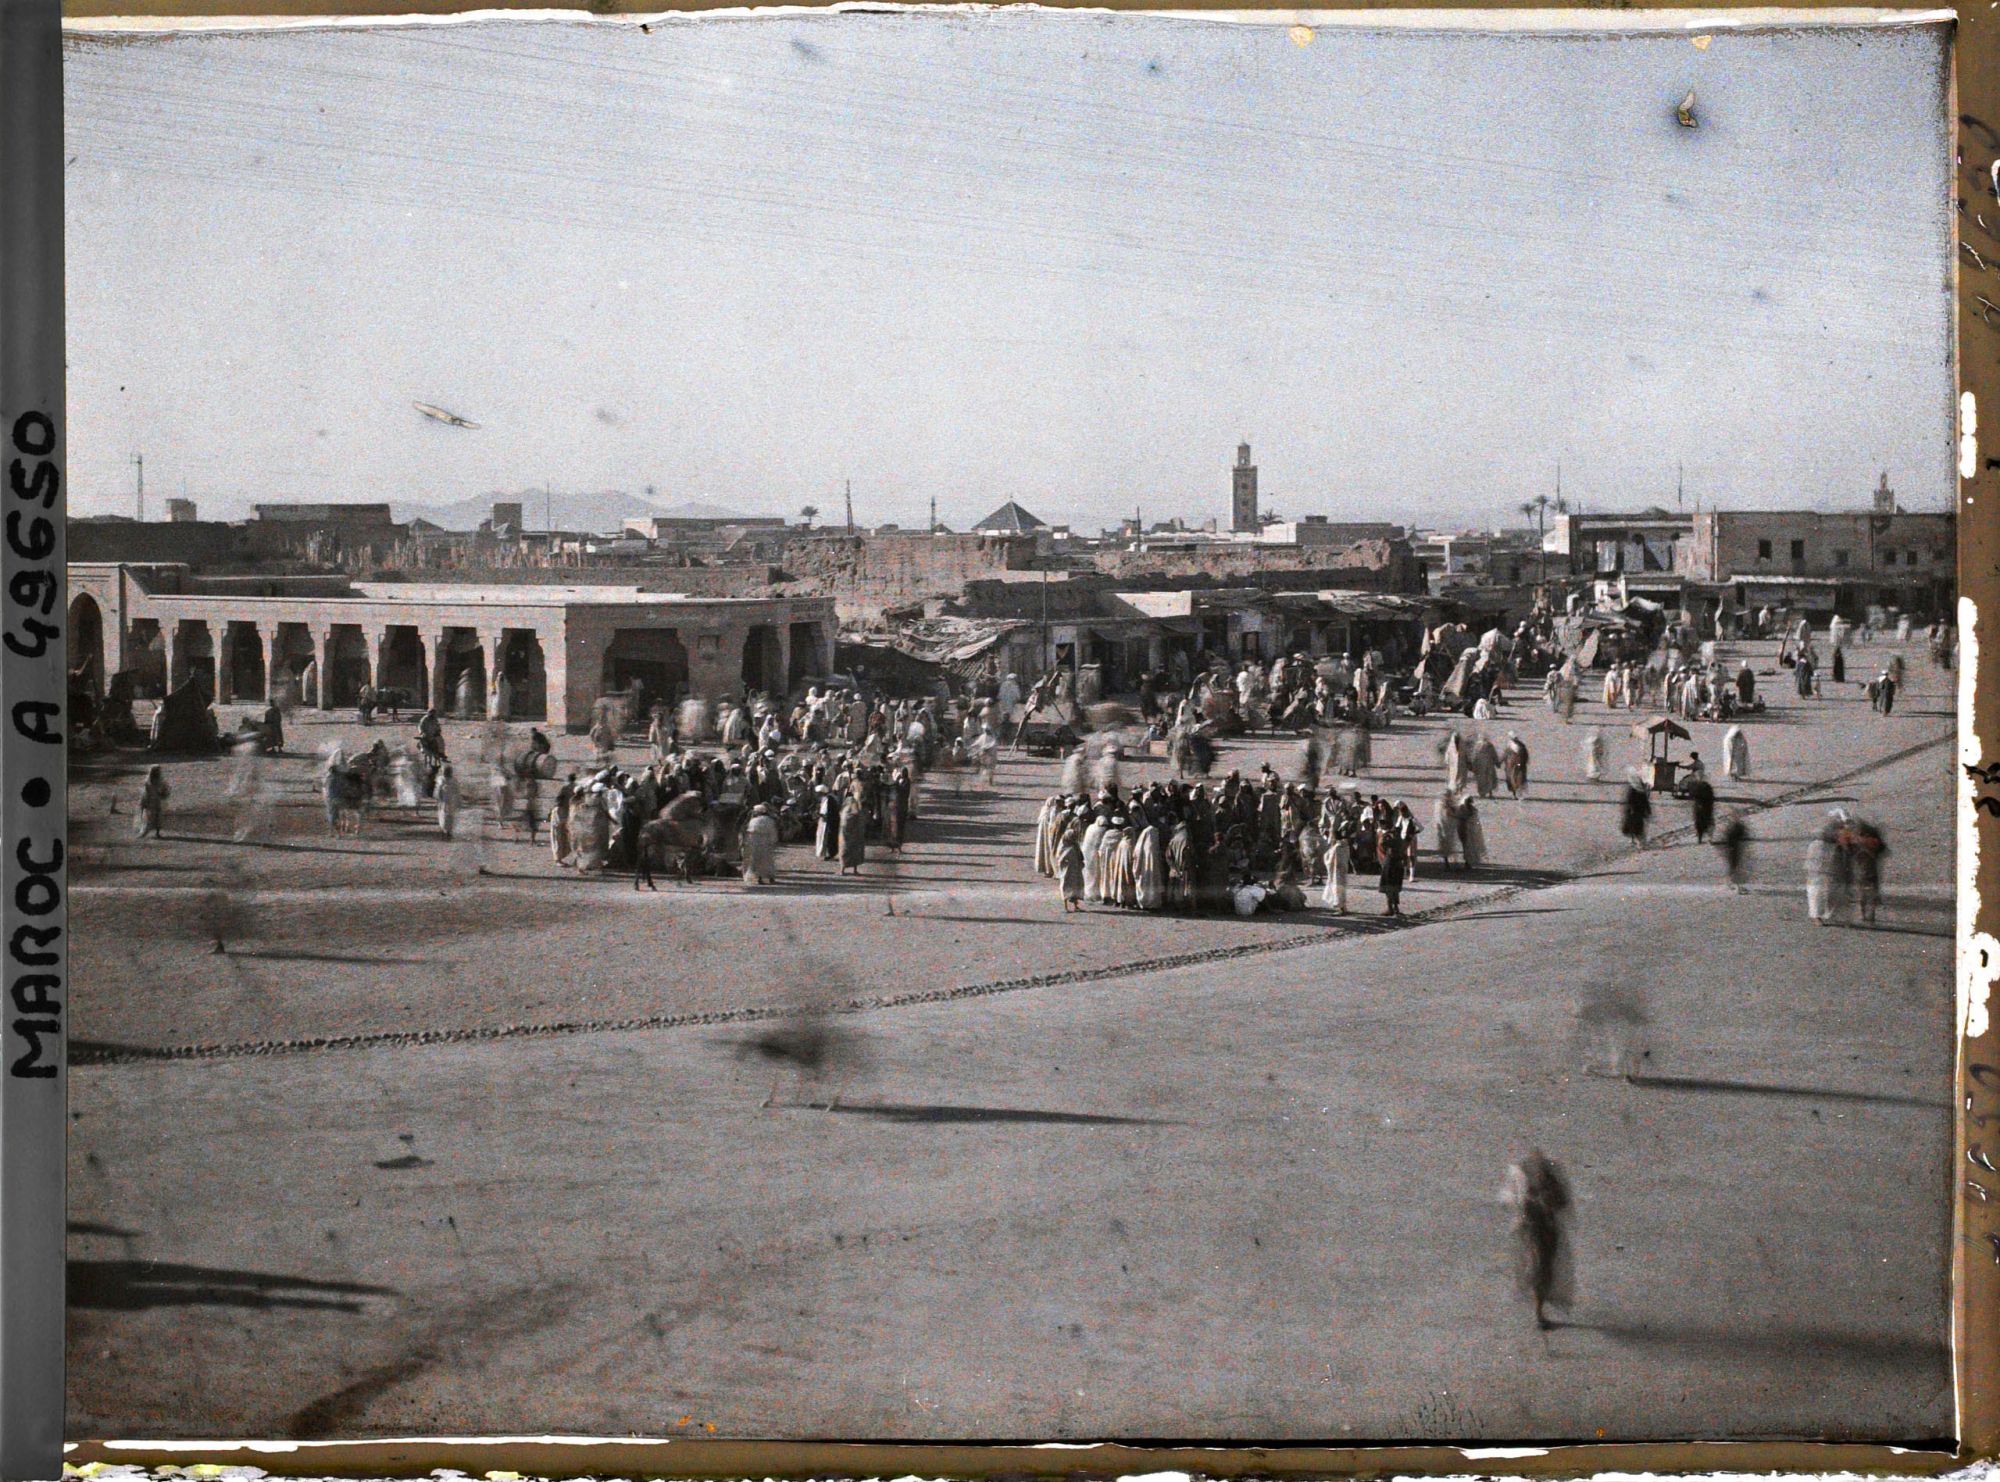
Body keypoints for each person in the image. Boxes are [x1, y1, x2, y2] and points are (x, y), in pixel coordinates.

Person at [1502, 1152, 1574, 1330]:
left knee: (1545, 1268)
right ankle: (1538, 1310)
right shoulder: (1524, 1183)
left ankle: (1539, 1306)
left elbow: (1561, 1203)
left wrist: (1547, 1203)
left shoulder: (1550, 1183)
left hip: (1546, 1232)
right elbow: (1519, 1207)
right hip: (1534, 1232)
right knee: (1538, 1267)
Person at [742, 803, 779, 886]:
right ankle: (770, 877)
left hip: (755, 843)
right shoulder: (770, 820)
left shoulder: (753, 821)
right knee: (767, 860)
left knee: (756, 860)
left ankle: (759, 878)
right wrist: (773, 841)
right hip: (766, 842)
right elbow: (773, 832)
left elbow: (750, 833)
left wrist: (747, 843)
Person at [1057, 822, 1086, 912]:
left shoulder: (1075, 846)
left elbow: (1080, 856)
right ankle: (1065, 906)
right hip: (1067, 872)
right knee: (1066, 887)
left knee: (1076, 887)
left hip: (1076, 871)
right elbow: (1060, 859)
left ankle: (1075, 905)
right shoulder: (1064, 848)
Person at [1718, 813, 1751, 891]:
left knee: (1734, 867)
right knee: (1735, 867)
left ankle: (1731, 884)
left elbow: (1726, 839)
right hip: (1735, 850)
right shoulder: (1737, 828)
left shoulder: (1733, 828)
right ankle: (1735, 885)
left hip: (1735, 850)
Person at [838, 791, 867, 875]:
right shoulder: (857, 809)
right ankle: (854, 870)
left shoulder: (845, 810)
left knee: (844, 851)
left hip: (845, 836)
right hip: (855, 835)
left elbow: (843, 822)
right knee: (855, 851)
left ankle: (842, 870)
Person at [136, 765, 169, 839]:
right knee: (148, 817)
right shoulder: (148, 782)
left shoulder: (161, 781)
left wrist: (163, 794)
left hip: (158, 801)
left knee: (158, 817)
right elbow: (145, 793)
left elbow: (165, 790)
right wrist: (144, 802)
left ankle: (157, 833)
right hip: (150, 802)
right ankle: (144, 832)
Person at [1378, 832, 1406, 917]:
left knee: (1389, 887)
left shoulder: (1390, 839)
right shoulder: (1400, 839)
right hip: (1398, 864)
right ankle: (1396, 908)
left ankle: (1390, 908)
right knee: (1395, 887)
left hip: (1390, 864)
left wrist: (1385, 834)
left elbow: (1381, 843)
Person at [1620, 773, 1651, 849]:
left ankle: (1638, 842)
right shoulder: (1639, 791)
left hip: (1634, 813)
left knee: (1636, 829)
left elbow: (1629, 802)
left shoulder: (1633, 790)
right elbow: (1645, 802)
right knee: (1637, 829)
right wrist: (1648, 811)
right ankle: (1639, 843)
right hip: (1636, 813)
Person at [1687, 771, 1715, 844]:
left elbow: (1692, 795)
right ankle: (1707, 838)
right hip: (1705, 807)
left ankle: (1701, 838)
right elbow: (1711, 797)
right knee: (1706, 822)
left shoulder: (1697, 786)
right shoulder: (1707, 786)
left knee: (1700, 823)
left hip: (1700, 807)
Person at [435, 761, 460, 839]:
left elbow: (438, 791)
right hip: (446, 801)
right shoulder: (445, 780)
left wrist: (438, 798)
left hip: (448, 801)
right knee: (447, 815)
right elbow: (457, 791)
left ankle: (446, 830)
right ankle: (446, 830)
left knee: (446, 815)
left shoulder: (443, 780)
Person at [1502, 733, 1530, 799]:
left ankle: (1517, 793)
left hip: (1518, 765)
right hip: (1512, 766)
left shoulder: (1520, 746)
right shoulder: (1510, 746)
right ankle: (1515, 793)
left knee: (1518, 779)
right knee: (1512, 779)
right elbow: (1505, 755)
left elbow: (1525, 756)